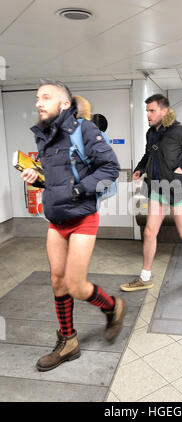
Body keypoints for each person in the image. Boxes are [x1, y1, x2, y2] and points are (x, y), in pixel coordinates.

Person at [20, 79, 126, 372]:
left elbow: (110, 169)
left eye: (46, 97)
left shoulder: (85, 130)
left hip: (82, 217)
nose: (39, 102)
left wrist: (79, 191)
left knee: (76, 286)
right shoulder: (44, 136)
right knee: (57, 281)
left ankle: (112, 306)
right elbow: (57, 178)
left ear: (65, 104)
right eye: (37, 98)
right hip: (56, 219)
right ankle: (69, 341)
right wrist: (37, 178)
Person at [120, 94, 182, 292]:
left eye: (151, 111)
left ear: (164, 111)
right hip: (155, 188)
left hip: (176, 189)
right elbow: (148, 154)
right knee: (150, 231)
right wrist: (140, 168)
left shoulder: (178, 131)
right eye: (147, 111)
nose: (148, 115)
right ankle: (145, 277)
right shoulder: (151, 133)